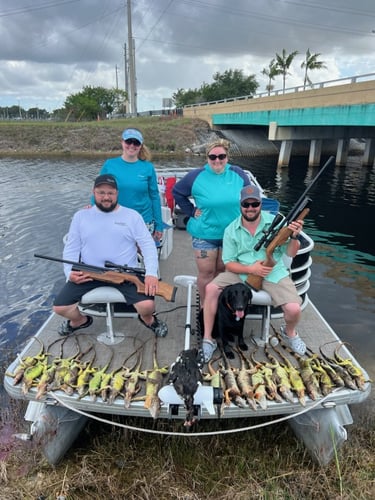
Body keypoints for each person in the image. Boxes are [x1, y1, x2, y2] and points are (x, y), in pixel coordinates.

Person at [53, 174, 168, 338]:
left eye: (110, 193)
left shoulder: (132, 216)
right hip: (89, 272)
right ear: (93, 192)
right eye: (101, 192)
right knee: (60, 308)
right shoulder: (80, 216)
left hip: (126, 273)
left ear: (117, 193)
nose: (106, 197)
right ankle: (79, 321)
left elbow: (148, 246)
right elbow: (71, 249)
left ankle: (149, 320)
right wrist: (69, 273)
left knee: (147, 306)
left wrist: (151, 274)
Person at [201, 184, 305, 362]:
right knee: (211, 289)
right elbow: (229, 262)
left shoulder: (277, 223)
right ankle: (208, 339)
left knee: (294, 309)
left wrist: (295, 236)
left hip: (273, 271)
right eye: (246, 204)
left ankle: (290, 333)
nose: (250, 208)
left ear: (260, 204)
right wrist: (251, 269)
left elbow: (291, 253)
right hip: (242, 270)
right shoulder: (231, 229)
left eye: (254, 204)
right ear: (240, 206)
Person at [172, 139, 250, 302]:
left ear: (227, 157)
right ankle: (205, 308)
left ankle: (221, 305)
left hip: (231, 235)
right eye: (212, 157)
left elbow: (250, 196)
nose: (217, 160)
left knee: (222, 272)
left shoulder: (238, 174)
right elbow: (177, 192)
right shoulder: (196, 176)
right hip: (205, 234)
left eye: (221, 156)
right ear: (207, 157)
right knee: (206, 273)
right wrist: (191, 211)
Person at [96, 128, 164, 242]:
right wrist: (93, 211)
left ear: (141, 146)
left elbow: (154, 197)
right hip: (115, 219)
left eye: (136, 142)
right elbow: (98, 192)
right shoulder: (110, 164)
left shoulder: (148, 167)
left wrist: (159, 224)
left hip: (143, 221)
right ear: (122, 142)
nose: (132, 145)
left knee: (141, 257)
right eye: (128, 142)